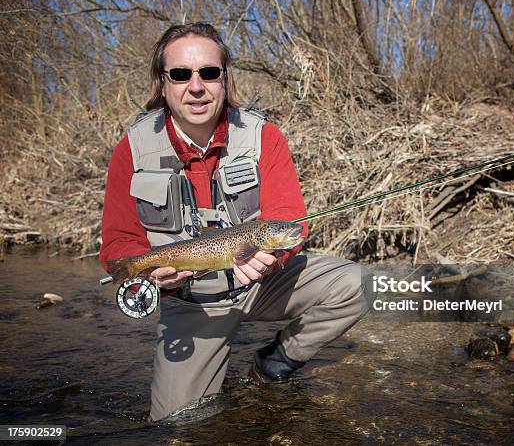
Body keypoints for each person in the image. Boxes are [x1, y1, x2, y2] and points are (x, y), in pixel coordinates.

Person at [99, 22, 371, 422]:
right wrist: (151, 276)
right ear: (163, 83)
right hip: (189, 302)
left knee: (357, 282)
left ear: (225, 79)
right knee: (178, 425)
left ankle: (273, 364)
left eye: (209, 72)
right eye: (180, 74)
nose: (196, 86)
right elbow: (119, 244)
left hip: (260, 282)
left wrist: (275, 257)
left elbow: (289, 222)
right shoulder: (133, 149)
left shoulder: (264, 136)